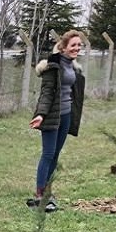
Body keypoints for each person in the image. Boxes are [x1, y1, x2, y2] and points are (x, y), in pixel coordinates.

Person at [28, 30, 86, 213]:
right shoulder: (53, 66)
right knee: (48, 154)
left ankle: (47, 191)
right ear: (63, 47)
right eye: (73, 45)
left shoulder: (74, 67)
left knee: (56, 155)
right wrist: (40, 114)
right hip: (52, 115)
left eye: (79, 45)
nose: (76, 48)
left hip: (66, 115)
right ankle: (39, 195)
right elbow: (46, 93)